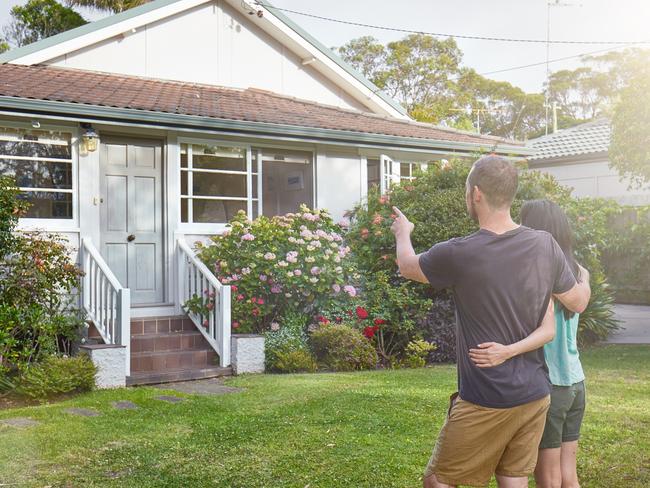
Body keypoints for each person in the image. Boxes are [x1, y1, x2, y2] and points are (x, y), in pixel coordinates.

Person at [390, 155, 591, 488]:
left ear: (477, 194)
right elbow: (578, 301)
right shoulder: (545, 245)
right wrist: (581, 277)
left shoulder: (459, 252)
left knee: (437, 480)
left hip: (486, 397)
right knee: (512, 477)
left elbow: (408, 266)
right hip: (535, 395)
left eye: (468, 189)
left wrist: (403, 232)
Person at [520, 200, 589, 488]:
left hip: (550, 382)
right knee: (568, 475)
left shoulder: (538, 274)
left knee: (547, 476)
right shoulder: (579, 271)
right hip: (576, 383)